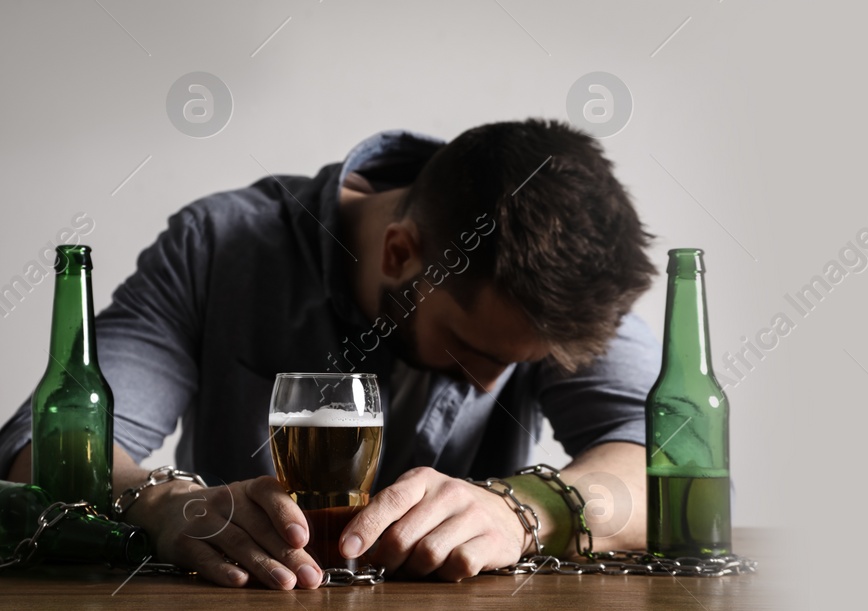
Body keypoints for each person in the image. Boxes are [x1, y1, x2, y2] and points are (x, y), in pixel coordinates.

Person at [0, 119, 660, 588]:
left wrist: (528, 509)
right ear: (400, 253)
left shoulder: (558, 285)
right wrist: (164, 505)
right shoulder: (220, 246)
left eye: (517, 363)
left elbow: (670, 463)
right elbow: (42, 450)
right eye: (470, 349)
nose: (492, 384)